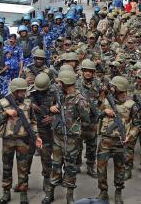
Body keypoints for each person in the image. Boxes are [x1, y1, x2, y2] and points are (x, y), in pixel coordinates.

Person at [43, 68, 90, 204]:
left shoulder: (79, 100)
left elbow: (86, 117)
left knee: (70, 167)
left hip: (71, 140)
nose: (58, 84)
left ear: (67, 83)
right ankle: (50, 193)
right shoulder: (59, 95)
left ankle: (69, 195)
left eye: (61, 82)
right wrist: (51, 109)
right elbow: (47, 105)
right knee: (55, 165)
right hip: (57, 137)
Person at [0, 78, 41, 204]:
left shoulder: (28, 103)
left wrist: (37, 136)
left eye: (24, 91)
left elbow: (33, 122)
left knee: (23, 168)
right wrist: (6, 113)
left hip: (23, 141)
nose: (23, 93)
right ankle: (6, 192)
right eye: (20, 91)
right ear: (14, 91)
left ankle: (23, 192)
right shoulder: (3, 102)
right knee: (6, 167)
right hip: (8, 140)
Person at [96, 76, 136, 204]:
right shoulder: (107, 101)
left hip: (120, 142)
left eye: (114, 86)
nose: (111, 88)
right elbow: (96, 113)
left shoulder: (131, 105)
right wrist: (104, 111)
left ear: (120, 88)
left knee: (120, 168)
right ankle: (103, 192)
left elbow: (137, 124)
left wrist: (130, 135)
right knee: (101, 168)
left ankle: (118, 192)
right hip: (105, 140)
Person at [28, 73, 55, 192]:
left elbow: (65, 108)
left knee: (46, 154)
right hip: (31, 127)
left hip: (46, 128)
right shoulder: (30, 92)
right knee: (26, 155)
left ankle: (47, 178)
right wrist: (30, 104)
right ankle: (23, 180)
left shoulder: (55, 92)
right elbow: (18, 101)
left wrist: (53, 118)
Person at [75, 59, 101, 178]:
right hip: (79, 120)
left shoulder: (98, 83)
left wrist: (100, 110)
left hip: (92, 119)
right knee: (77, 145)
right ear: (82, 71)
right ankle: (77, 164)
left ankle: (90, 166)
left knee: (92, 145)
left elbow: (104, 98)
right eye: (86, 71)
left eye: (90, 71)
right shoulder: (76, 83)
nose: (88, 73)